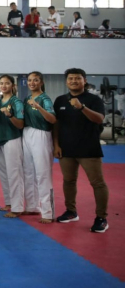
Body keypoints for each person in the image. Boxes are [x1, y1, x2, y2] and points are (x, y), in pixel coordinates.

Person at [54, 68, 109, 233]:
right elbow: (56, 124)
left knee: (97, 183)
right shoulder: (60, 100)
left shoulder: (93, 99)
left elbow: (99, 119)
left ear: (84, 80)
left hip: (89, 147)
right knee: (68, 181)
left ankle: (102, 218)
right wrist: (56, 145)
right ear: (66, 81)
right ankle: (71, 211)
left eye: (77, 78)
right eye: (70, 79)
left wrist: (82, 107)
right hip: (66, 148)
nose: (74, 81)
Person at [23, 71, 57, 223]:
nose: (32, 83)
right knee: (28, 172)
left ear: (41, 82)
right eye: (30, 80)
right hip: (27, 133)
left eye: (35, 80)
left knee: (42, 174)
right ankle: (32, 206)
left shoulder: (45, 99)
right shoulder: (26, 98)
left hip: (41, 134)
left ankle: (48, 212)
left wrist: (38, 106)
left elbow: (52, 119)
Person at [0, 75, 25, 218]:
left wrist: (9, 115)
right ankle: (9, 202)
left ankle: (17, 207)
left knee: (14, 173)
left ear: (13, 85)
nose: (4, 86)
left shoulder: (16, 102)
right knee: (3, 173)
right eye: (1, 83)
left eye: (7, 83)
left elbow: (20, 124)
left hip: (12, 138)